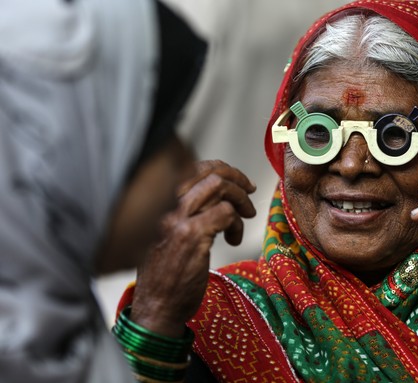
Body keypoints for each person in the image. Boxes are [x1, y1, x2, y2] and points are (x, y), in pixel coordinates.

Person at [116, 1, 418, 382]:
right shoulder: (212, 319)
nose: (352, 164)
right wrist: (155, 318)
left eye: (394, 137)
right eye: (318, 134)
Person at [0, 1, 247, 381]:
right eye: (162, 133)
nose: (188, 162)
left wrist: (158, 317)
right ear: (64, 160)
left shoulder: (63, 334)